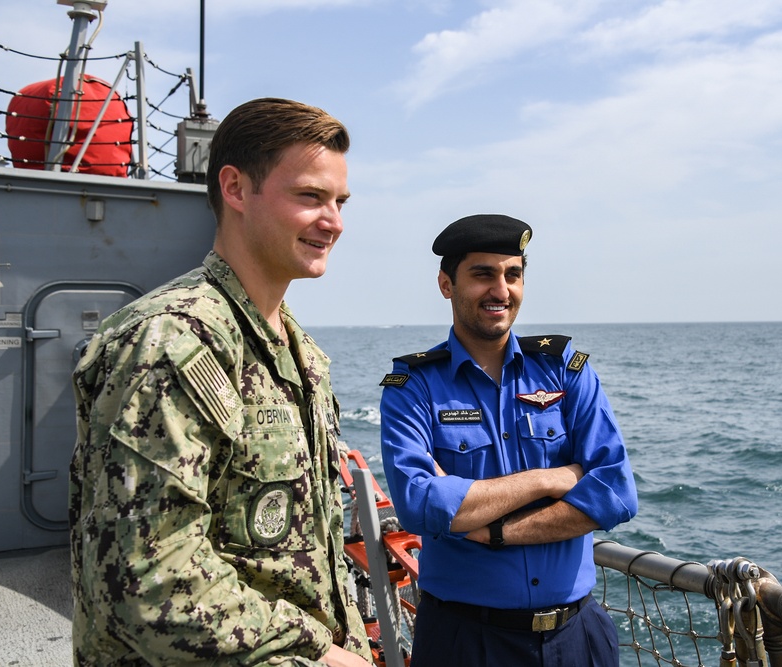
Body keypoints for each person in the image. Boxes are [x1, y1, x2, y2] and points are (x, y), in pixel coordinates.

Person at [69, 98, 373, 666]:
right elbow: (148, 580)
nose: (333, 221)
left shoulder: (299, 352)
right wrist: (320, 651)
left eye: (339, 201)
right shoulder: (172, 341)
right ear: (235, 189)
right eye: (310, 196)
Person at [378, 214, 639, 666]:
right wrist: (549, 479)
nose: (501, 290)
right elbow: (420, 504)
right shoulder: (414, 386)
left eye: (512, 274)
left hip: (576, 640)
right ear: (446, 284)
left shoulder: (565, 371)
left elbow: (615, 493)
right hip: (463, 640)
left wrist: (490, 530)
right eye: (483, 274)